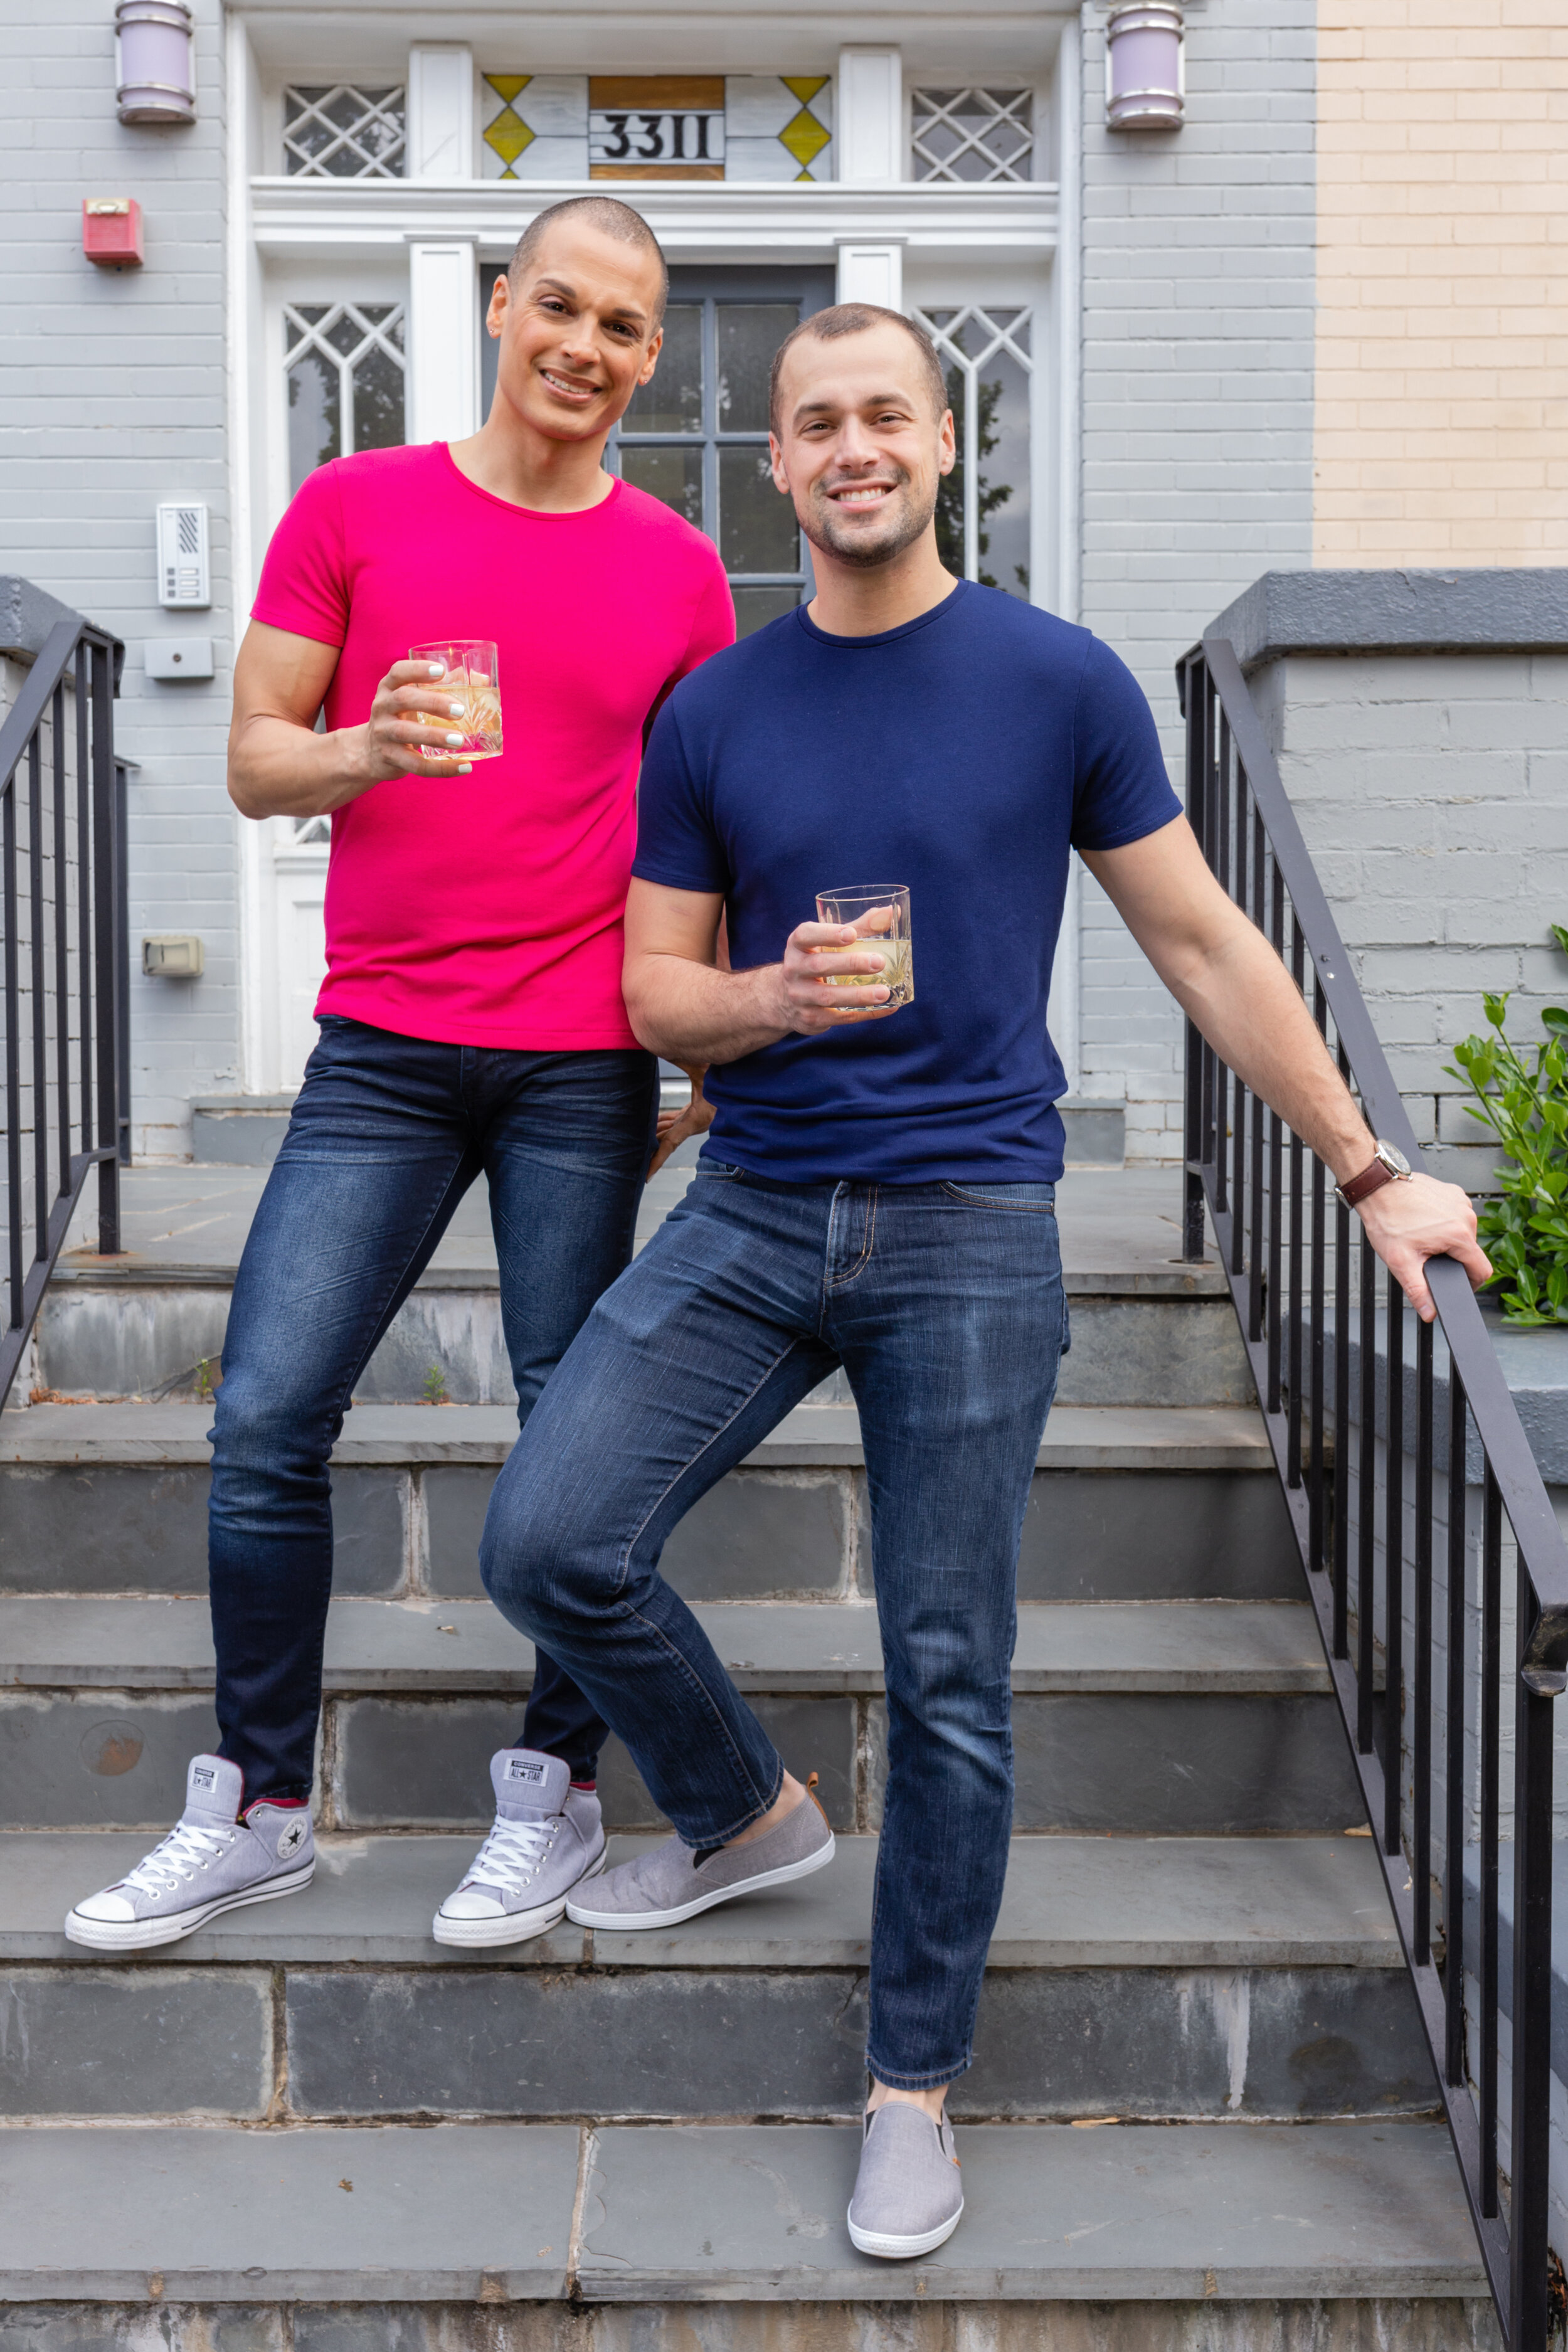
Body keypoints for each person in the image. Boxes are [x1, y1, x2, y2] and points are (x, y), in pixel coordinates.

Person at [472, 301, 1491, 2260]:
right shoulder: (717, 710)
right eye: (813, 422)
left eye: (886, 416)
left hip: (968, 1225)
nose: (851, 447)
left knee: (949, 1675)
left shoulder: (1054, 681)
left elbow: (1199, 943)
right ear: (773, 465)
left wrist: (1366, 1167)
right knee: (548, 1536)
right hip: (760, 1205)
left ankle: (911, 2087)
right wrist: (766, 1000)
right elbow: (651, 989)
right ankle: (742, 1810)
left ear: (944, 448)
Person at [64, 196, 732, 1957]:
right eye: (559, 307)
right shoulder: (354, 507)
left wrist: (717, 1044)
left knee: (566, 1443)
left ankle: (554, 1794)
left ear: (652, 358)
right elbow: (254, 759)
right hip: (381, 1051)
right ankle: (260, 1808)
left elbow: (721, 817)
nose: (584, 346)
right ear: (501, 307)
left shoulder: (675, 567)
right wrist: (369, 743)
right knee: (269, 1415)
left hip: (581, 1060)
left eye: (624, 326)